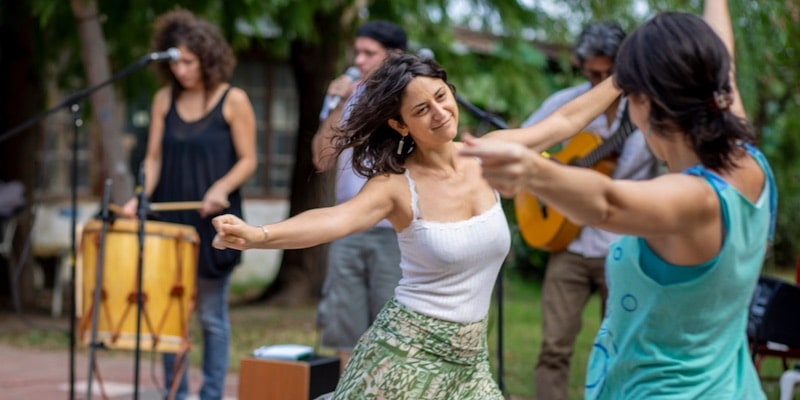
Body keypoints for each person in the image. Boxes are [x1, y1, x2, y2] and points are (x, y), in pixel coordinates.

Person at [462, 0, 773, 398]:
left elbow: (607, 202)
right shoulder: (747, 160)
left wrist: (533, 170)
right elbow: (721, 57)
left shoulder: (699, 200)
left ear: (641, 101)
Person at [213, 53, 510, 399]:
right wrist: (258, 235)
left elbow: (563, 121)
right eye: (421, 110)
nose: (440, 112)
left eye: (441, 96)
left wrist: (593, 88)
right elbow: (334, 219)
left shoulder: (486, 155)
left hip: (469, 364)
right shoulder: (395, 185)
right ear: (400, 125)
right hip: (404, 357)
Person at [518, 21, 659, 400]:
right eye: (591, 72)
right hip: (570, 244)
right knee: (554, 347)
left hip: (626, 245)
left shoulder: (647, 109)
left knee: (623, 349)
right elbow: (523, 147)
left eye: (607, 73)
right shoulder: (567, 103)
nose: (598, 82)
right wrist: (553, 178)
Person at [121, 9, 257, 400]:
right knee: (170, 316)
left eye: (189, 62)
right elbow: (153, 158)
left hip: (216, 222)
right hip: (172, 220)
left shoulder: (234, 99)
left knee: (211, 318)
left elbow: (249, 159)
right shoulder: (165, 98)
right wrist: (139, 195)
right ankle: (176, 394)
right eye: (175, 61)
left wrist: (221, 187)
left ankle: (211, 394)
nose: (181, 70)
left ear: (207, 58)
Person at [310, 20, 406, 372]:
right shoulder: (348, 95)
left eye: (369, 53)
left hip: (395, 229)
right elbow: (321, 159)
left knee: (392, 330)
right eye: (357, 52)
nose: (359, 60)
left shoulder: (408, 96)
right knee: (344, 329)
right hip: (347, 228)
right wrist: (338, 103)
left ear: (395, 55)